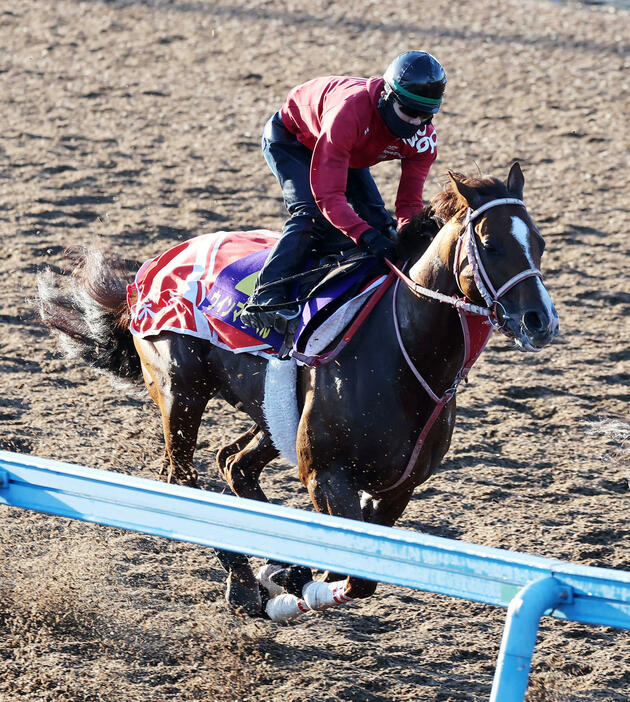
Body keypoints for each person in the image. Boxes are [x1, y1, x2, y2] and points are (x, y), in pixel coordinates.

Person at [240, 51, 446, 334]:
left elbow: (409, 203)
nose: (415, 124)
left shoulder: (423, 137)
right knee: (311, 214)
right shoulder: (349, 112)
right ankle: (265, 298)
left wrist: (407, 232)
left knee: (381, 224)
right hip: (294, 140)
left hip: (351, 153)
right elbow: (329, 197)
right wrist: (365, 235)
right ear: (387, 96)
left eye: (426, 116)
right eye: (409, 112)